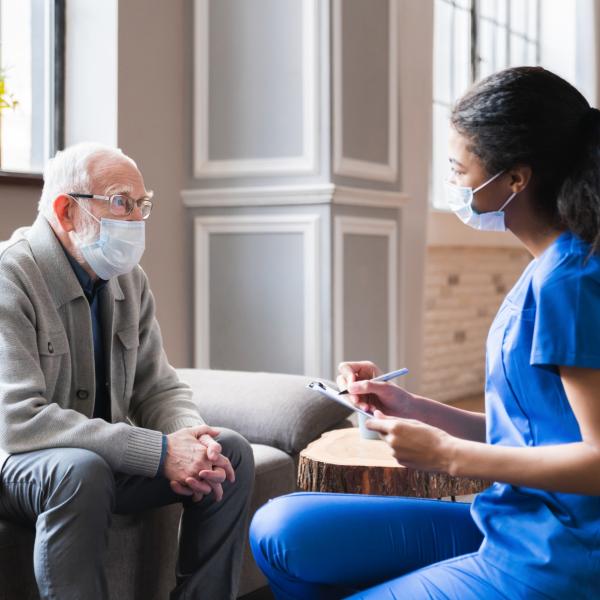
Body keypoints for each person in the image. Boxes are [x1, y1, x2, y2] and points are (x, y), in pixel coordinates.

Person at [249, 66, 600, 599]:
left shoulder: (569, 282)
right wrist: (412, 408)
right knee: (281, 530)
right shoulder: (548, 267)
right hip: (508, 522)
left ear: (516, 178)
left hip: (559, 556)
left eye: (461, 168)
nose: (455, 183)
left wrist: (448, 456)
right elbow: (535, 430)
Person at [0, 143, 254, 599]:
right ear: (67, 210)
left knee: (228, 453)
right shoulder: (10, 277)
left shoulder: (128, 279)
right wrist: (158, 453)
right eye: (121, 202)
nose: (136, 219)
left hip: (100, 463)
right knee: (80, 471)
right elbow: (17, 421)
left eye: (142, 205)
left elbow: (157, 387)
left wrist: (193, 442)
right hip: (20, 465)